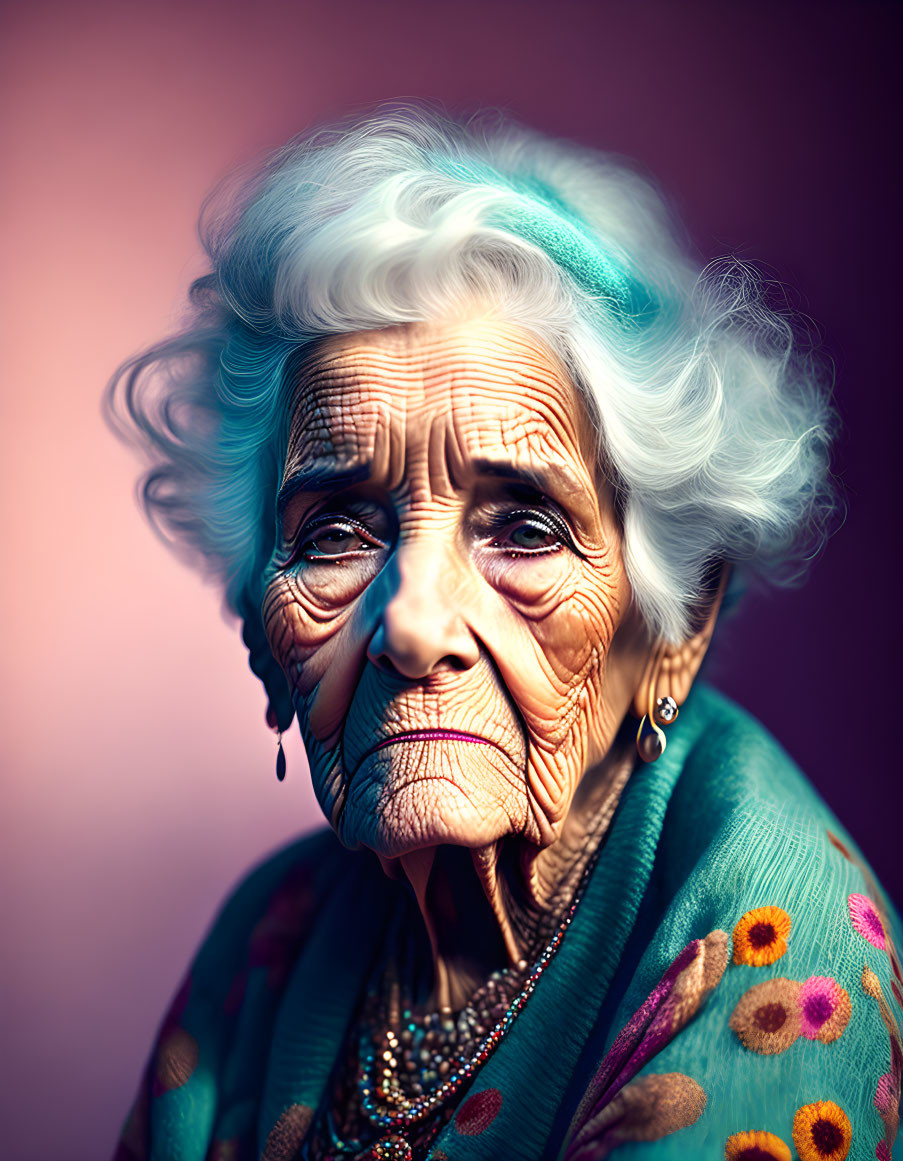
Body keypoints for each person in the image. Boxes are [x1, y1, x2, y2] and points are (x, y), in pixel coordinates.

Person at [108, 107, 900, 1161]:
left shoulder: (772, 927)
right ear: (262, 626)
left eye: (523, 528)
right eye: (337, 531)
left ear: (677, 622)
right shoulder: (273, 935)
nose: (414, 624)